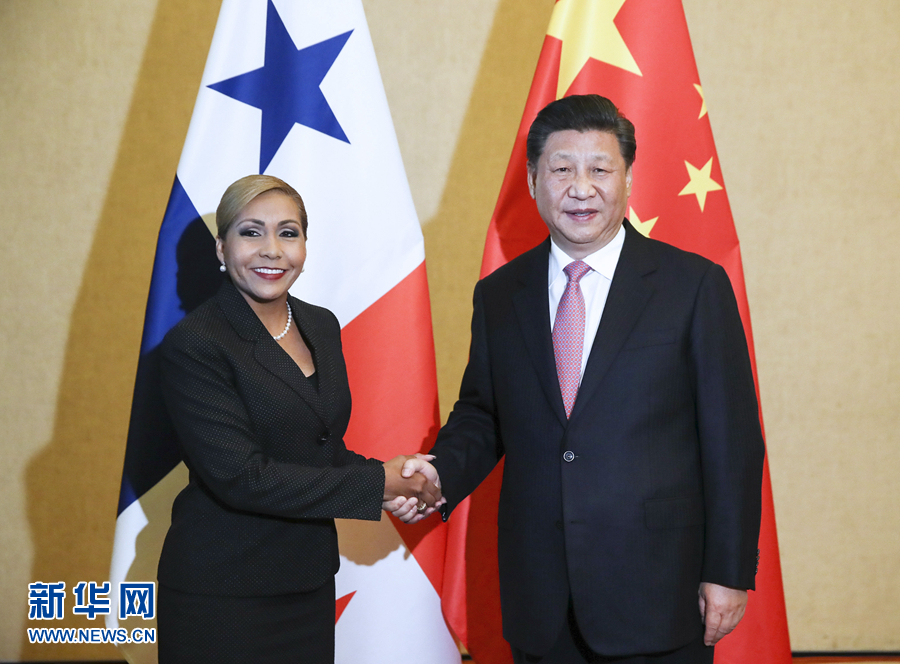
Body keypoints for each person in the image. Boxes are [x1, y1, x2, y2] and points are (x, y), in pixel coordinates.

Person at [396, 95, 765, 663]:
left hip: (659, 591)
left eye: (600, 169)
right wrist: (438, 476)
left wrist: (729, 570)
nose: (581, 188)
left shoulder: (692, 286)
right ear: (533, 180)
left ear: (628, 178)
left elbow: (732, 441)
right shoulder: (501, 294)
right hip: (540, 595)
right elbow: (484, 415)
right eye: (562, 169)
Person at [155, 174, 440, 664]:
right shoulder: (196, 343)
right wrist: (380, 483)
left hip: (307, 583)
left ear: (305, 246)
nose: (272, 249)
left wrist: (394, 482)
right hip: (223, 593)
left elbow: (319, 447)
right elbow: (243, 477)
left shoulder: (320, 325)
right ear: (222, 248)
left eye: (288, 233)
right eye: (251, 232)